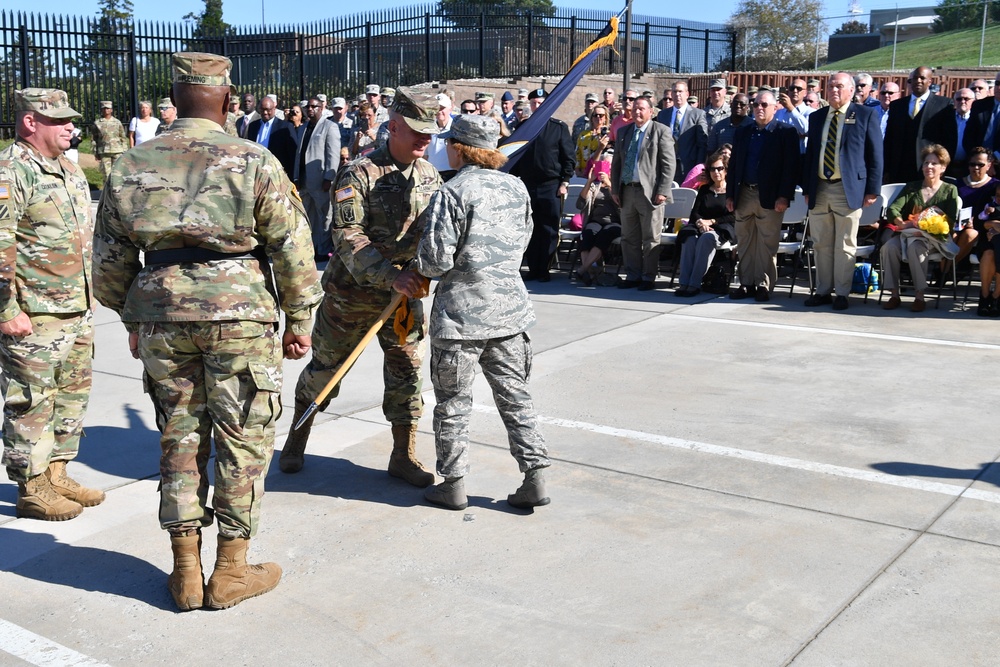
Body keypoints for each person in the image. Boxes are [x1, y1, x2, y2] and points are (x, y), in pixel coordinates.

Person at [93, 52, 322, 611]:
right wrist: (299, 322)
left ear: (175, 97)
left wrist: (134, 316)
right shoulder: (254, 159)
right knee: (244, 441)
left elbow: (106, 267)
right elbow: (294, 252)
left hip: (163, 316)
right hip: (239, 316)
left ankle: (186, 572)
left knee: (180, 437)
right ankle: (230, 571)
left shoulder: (129, 163)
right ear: (224, 97)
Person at [280, 88, 442, 486]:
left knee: (407, 371)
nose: (425, 140)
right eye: (417, 131)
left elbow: (436, 232)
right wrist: (391, 275)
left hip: (403, 297)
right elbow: (347, 235)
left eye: (430, 133)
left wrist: (429, 266)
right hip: (352, 294)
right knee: (327, 370)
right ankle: (297, 436)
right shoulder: (359, 173)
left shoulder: (429, 176)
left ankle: (403, 455)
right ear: (395, 127)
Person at [415, 114, 550, 511]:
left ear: (460, 147)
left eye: (450, 144)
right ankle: (535, 476)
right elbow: (522, 242)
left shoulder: (452, 192)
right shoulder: (517, 188)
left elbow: (435, 261)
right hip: (508, 312)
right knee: (516, 397)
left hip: (461, 317)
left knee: (454, 403)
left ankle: (453, 482)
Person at [0, 88, 103, 522]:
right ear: (30, 122)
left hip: (74, 307)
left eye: (70, 120)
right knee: (32, 401)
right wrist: (6, 311)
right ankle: (32, 486)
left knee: (71, 396)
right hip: (33, 313)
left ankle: (56, 470)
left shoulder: (68, 169)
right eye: (58, 120)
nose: (70, 127)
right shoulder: (12, 170)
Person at [801, 72, 884, 311]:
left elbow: (875, 155)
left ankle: (843, 293)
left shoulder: (866, 114)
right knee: (820, 243)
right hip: (820, 187)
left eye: (839, 86)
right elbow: (810, 155)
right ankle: (823, 290)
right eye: (831, 87)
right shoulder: (817, 117)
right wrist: (808, 187)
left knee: (845, 243)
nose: (834, 90)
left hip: (847, 189)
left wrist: (872, 190)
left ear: (851, 90)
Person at [726, 90, 800, 302]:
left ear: (775, 107)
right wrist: (730, 194)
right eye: (756, 104)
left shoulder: (786, 132)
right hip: (744, 193)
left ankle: (763, 285)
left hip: (770, 195)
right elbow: (734, 166)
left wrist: (784, 196)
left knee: (767, 244)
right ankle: (745, 283)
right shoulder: (743, 131)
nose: (759, 108)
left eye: (764, 104)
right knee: (745, 242)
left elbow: (790, 168)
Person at [880, 144, 960, 312]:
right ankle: (894, 294)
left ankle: (919, 296)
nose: (928, 167)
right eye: (925, 163)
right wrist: (900, 222)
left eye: (934, 163)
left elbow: (950, 220)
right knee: (889, 247)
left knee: (916, 247)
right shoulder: (912, 187)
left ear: (943, 168)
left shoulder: (950, 190)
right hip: (907, 235)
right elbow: (894, 208)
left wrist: (925, 226)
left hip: (933, 239)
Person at [509, 88, 575, 283]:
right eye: (534, 103)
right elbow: (515, 157)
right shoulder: (525, 128)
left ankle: (544, 268)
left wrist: (564, 181)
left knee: (548, 229)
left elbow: (568, 158)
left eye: (540, 103)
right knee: (530, 229)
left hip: (551, 185)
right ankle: (532, 268)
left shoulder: (558, 127)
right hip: (528, 185)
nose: (537, 106)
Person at [610, 96, 675, 291]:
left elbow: (668, 164)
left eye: (642, 109)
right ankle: (633, 275)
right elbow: (616, 164)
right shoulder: (623, 132)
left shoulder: (660, 131)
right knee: (629, 237)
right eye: (635, 108)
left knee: (650, 238)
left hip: (650, 193)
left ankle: (648, 277)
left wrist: (663, 190)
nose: (637, 112)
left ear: (651, 111)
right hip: (627, 191)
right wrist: (615, 189)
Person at [674, 149, 735, 297]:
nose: (716, 172)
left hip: (722, 229)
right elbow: (695, 212)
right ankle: (684, 283)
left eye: (720, 168)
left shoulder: (732, 191)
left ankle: (694, 284)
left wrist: (712, 222)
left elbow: (733, 216)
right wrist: (701, 222)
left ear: (726, 170)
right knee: (689, 239)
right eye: (712, 169)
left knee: (706, 238)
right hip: (700, 226)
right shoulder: (705, 189)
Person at [294, 96, 341, 262]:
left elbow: (333, 154)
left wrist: (329, 177)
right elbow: (299, 154)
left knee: (325, 216)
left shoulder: (330, 127)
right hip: (305, 180)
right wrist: (296, 176)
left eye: (314, 106)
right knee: (308, 215)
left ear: (321, 108)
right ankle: (312, 247)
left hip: (321, 181)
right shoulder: (303, 127)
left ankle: (324, 249)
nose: (310, 109)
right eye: (308, 107)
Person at [883, 67, 951, 183]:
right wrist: (886, 169)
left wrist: (942, 169)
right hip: (898, 168)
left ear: (930, 81)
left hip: (926, 168)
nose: (918, 81)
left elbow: (949, 140)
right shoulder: (897, 105)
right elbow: (889, 139)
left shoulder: (944, 105)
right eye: (915, 78)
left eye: (922, 78)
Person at [572, 156, 621, 286]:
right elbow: (580, 204)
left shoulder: (618, 184)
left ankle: (583, 270)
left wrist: (610, 185)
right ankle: (589, 272)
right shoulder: (595, 186)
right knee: (587, 234)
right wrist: (589, 181)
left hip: (614, 222)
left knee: (605, 235)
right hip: (596, 220)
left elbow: (623, 206)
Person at [656, 81, 707, 179]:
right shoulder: (662, 115)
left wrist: (699, 167)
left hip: (688, 167)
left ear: (687, 94)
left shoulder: (698, 114)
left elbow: (702, 144)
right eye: (675, 92)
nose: (677, 94)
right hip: (666, 167)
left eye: (680, 91)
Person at [975, 182, 1000, 315]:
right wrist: (991, 224)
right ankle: (985, 295)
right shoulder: (990, 190)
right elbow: (977, 223)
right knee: (989, 253)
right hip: (988, 240)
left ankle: (997, 295)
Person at [966, 73, 1000, 164]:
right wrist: (976, 157)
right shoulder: (980, 105)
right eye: (997, 83)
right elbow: (969, 135)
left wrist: (994, 159)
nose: (999, 88)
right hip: (977, 162)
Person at [91, 100, 128, 182]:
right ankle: (107, 193)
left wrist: (125, 150)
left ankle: (117, 192)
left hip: (117, 151)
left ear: (111, 110)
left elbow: (122, 137)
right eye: (104, 109)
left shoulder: (117, 122)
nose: (106, 110)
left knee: (118, 173)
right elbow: (94, 139)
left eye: (108, 108)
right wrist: (95, 152)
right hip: (104, 151)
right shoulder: (97, 123)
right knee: (106, 174)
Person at [575, 103, 611, 177]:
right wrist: (578, 171)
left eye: (601, 115)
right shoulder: (583, 135)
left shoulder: (609, 135)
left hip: (600, 174)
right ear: (591, 118)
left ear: (605, 118)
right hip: (583, 174)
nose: (598, 117)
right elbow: (577, 154)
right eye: (595, 115)